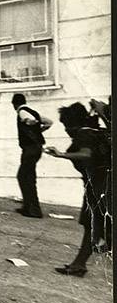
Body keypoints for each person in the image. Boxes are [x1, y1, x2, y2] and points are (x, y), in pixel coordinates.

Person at [45, 100, 112, 276]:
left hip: (99, 187)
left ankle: (80, 264)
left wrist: (61, 154)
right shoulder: (96, 131)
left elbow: (86, 154)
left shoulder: (83, 134)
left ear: (70, 123)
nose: (65, 130)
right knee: (95, 226)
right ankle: (79, 264)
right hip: (101, 186)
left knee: (93, 225)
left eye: (65, 125)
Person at [11, 93, 53, 218]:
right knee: (29, 177)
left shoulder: (22, 111)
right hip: (36, 148)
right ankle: (29, 207)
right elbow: (49, 122)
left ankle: (33, 210)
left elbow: (28, 120)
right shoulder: (33, 111)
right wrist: (38, 130)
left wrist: (31, 124)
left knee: (23, 177)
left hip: (30, 148)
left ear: (14, 103)